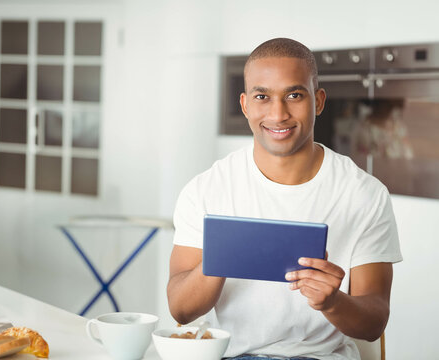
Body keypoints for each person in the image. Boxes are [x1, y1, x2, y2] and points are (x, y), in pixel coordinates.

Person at [167, 38, 402, 360]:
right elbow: (181, 311)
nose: (278, 114)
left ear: (318, 101)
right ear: (246, 104)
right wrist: (218, 260)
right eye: (262, 97)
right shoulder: (207, 188)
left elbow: (374, 322)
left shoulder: (364, 194)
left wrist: (333, 302)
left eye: (294, 95)